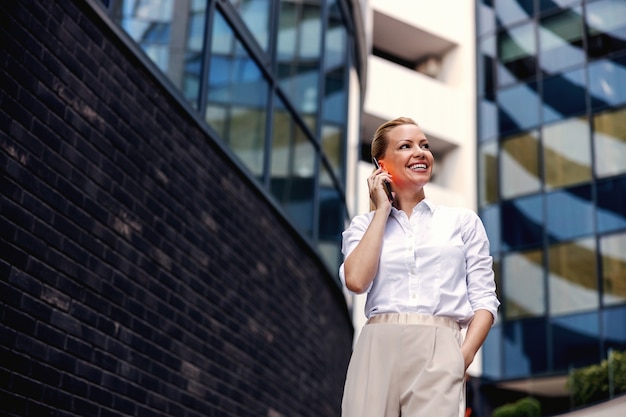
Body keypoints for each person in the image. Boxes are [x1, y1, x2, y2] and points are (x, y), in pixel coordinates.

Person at [339, 117, 500, 417]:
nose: (421, 152)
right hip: (377, 345)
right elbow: (357, 281)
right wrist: (381, 211)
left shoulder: (462, 222)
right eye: (406, 146)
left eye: (424, 145)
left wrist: (460, 358)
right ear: (381, 164)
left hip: (440, 346)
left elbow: (485, 301)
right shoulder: (363, 225)